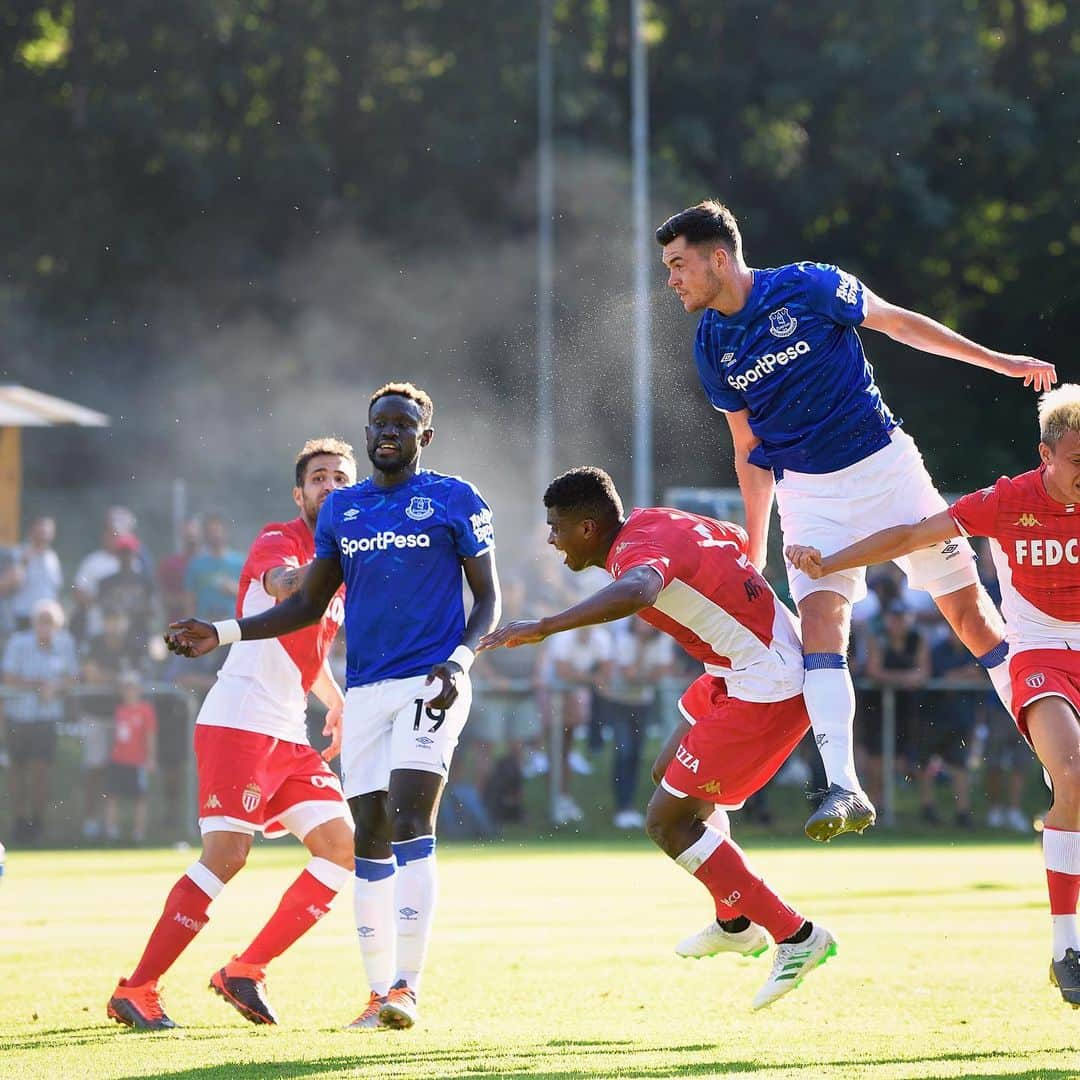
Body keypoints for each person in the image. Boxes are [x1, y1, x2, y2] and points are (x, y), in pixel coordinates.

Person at [656, 200, 1057, 841]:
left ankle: (1061, 762)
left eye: (678, 265)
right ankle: (843, 787)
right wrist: (755, 550)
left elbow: (899, 325)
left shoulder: (809, 285)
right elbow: (747, 450)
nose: (671, 279)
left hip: (887, 469)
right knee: (821, 623)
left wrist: (1004, 363)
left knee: (974, 621)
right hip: (810, 496)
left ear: (718, 257)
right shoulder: (711, 344)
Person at [164, 383, 500, 1033]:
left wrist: (459, 662)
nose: (389, 432)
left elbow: (488, 601)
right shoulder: (345, 512)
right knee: (368, 840)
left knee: (409, 814)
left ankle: (407, 985)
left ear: (424, 437)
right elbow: (303, 607)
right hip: (369, 690)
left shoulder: (456, 499)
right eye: (380, 422)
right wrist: (224, 630)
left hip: (431, 684)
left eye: (403, 424)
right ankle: (378, 998)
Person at [480, 467, 836, 1010]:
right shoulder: (659, 519)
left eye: (558, 528)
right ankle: (735, 918)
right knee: (666, 773)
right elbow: (733, 537)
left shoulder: (634, 553)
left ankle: (795, 935)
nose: (552, 539)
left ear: (590, 527)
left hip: (767, 682)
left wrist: (545, 625)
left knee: (666, 821)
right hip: (735, 670)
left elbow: (640, 587)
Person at [785, 383, 1080, 1007]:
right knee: (1072, 774)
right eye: (1077, 463)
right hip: (1041, 655)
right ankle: (1066, 947)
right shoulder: (1008, 500)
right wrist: (830, 560)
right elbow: (911, 536)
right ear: (1046, 454)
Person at [107, 437, 359, 1031]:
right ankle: (137, 990)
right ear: (300, 494)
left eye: (343, 478)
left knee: (342, 848)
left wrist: (336, 701)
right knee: (227, 856)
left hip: (287, 734)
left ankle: (245, 970)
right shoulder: (281, 539)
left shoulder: (345, 569)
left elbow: (304, 648)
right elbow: (281, 588)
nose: (332, 486)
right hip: (238, 722)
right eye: (319, 478)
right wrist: (325, 568)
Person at [2, 599, 78, 845]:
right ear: (34, 623)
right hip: (19, 717)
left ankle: (37, 823)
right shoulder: (19, 643)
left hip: (45, 719)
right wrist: (38, 686)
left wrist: (56, 686)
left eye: (50, 622)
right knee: (17, 772)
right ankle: (18, 822)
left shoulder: (65, 644)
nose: (45, 627)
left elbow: (72, 678)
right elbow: (9, 677)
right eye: (41, 621)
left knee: (40, 771)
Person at [103, 670, 157, 844]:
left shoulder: (145, 710)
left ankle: (138, 833)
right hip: (118, 759)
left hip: (137, 761)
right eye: (126, 687)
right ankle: (112, 832)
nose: (129, 691)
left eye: (132, 687)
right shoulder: (118, 709)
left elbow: (150, 735)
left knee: (140, 797)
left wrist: (150, 758)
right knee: (112, 795)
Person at [183, 515, 244, 623]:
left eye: (218, 530)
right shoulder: (196, 564)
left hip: (232, 623)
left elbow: (248, 594)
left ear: (225, 532)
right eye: (211, 531)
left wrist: (234, 589)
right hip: (205, 623)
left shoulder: (238, 562)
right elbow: (190, 599)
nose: (216, 535)